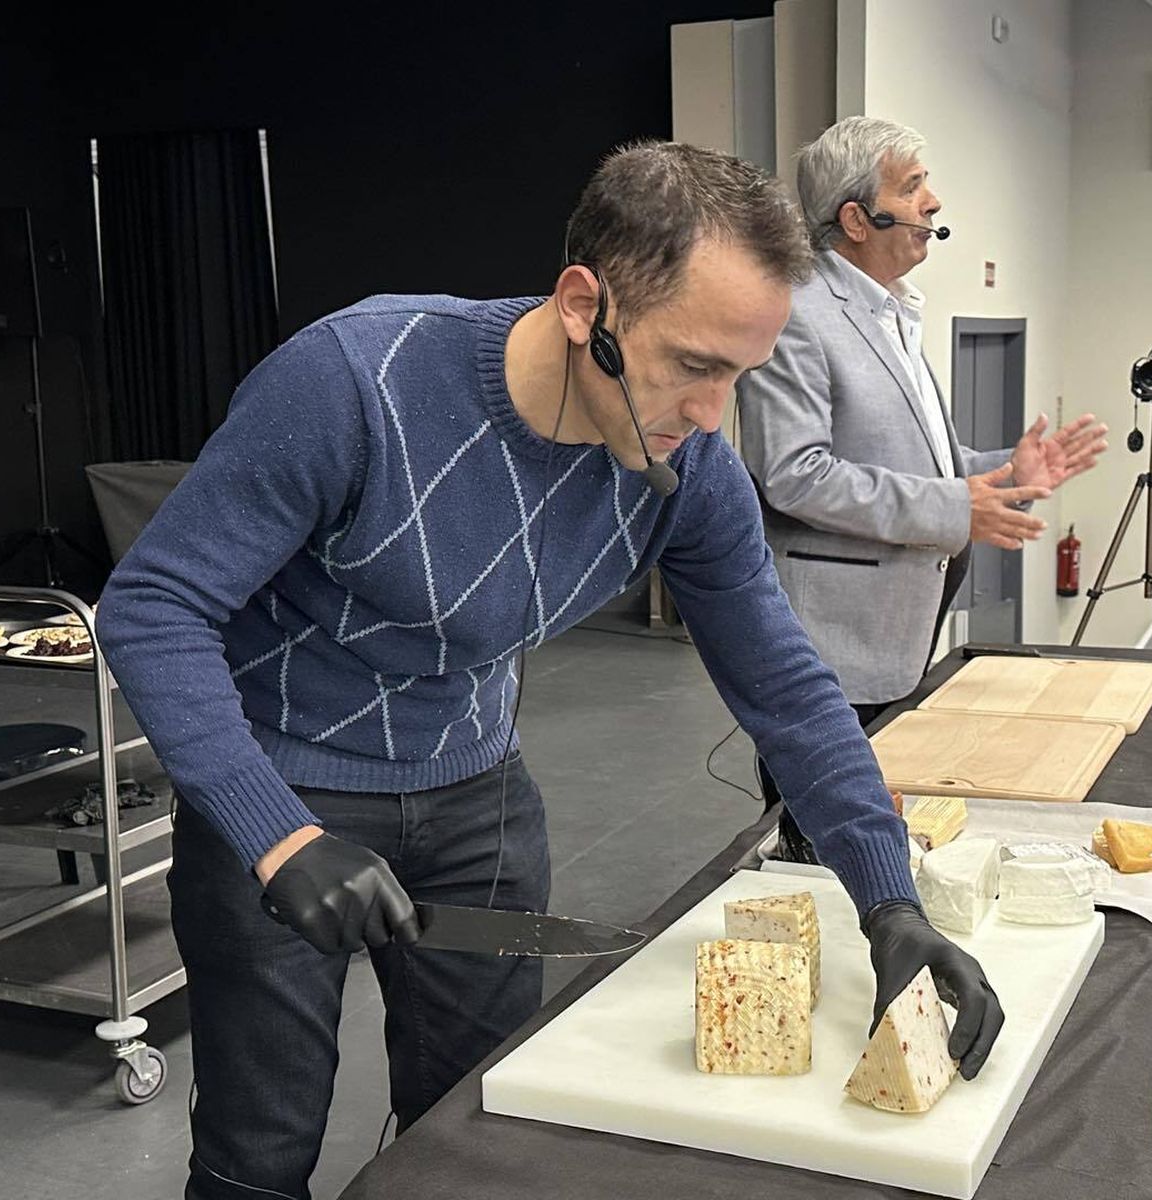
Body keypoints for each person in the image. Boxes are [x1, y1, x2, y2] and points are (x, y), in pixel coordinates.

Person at [96, 140, 1004, 1200]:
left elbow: (787, 686)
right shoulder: (353, 384)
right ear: (585, 305)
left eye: (741, 377)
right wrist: (275, 835)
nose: (712, 418)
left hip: (475, 799)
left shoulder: (685, 467)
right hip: (281, 787)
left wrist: (886, 895)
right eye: (694, 366)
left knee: (474, 1123)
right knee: (262, 1145)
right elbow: (155, 608)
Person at [736, 117, 1107, 847]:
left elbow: (921, 466)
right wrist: (955, 506)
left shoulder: (892, 312)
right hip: (831, 646)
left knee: (872, 828)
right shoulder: (800, 315)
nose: (932, 203)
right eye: (911, 188)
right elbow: (793, 475)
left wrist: (1004, 473)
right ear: (855, 219)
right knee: (824, 840)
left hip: (897, 632)